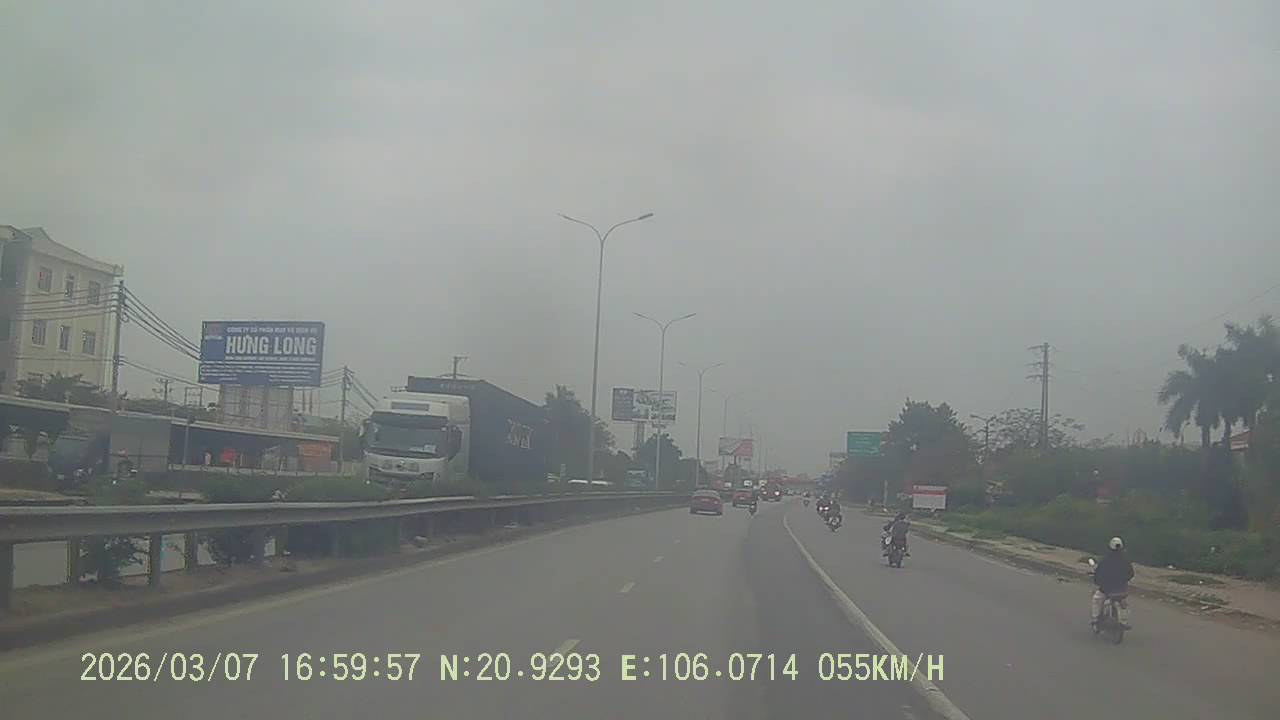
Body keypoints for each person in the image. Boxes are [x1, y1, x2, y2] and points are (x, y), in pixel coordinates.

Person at [1091, 537, 1134, 628]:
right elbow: (1131, 573)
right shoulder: (1125, 560)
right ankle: (1124, 622)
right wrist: (1124, 580)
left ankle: (1095, 619)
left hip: (1106, 589)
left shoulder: (1105, 559)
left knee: (1097, 599)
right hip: (1121, 589)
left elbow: (1098, 573)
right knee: (1124, 604)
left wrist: (1097, 581)